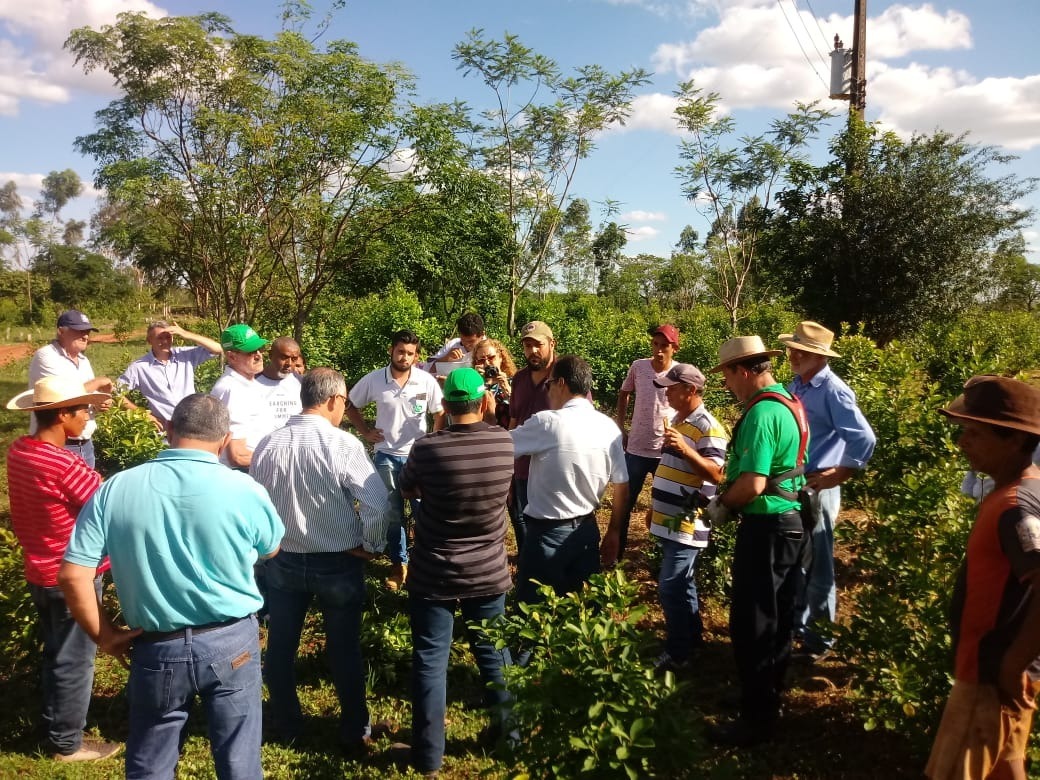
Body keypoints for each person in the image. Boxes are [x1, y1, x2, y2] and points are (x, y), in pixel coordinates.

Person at [58, 394, 284, 780]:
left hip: (155, 645)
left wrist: (106, 636)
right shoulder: (244, 489)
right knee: (239, 760)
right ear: (225, 438)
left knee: (151, 759)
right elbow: (272, 547)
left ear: (168, 429)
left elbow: (73, 573)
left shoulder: (116, 488)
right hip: (231, 641)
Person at [250, 368, 390, 752]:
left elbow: (256, 505)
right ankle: (353, 730)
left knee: (280, 646)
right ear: (332, 400)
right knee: (343, 647)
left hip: (283, 560)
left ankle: (288, 724)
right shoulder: (342, 445)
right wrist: (372, 546)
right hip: (338, 562)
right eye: (344, 401)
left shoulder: (267, 444)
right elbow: (378, 505)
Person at [400, 368, 514, 777]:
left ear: (445, 406)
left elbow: (408, 488)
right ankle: (509, 738)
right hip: (488, 571)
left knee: (431, 659)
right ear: (484, 402)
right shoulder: (504, 442)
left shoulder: (427, 448)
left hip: (435, 572)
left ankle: (428, 757)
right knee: (493, 654)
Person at [926, 375, 1040, 780]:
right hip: (993, 675)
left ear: (1013, 440)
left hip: (990, 677)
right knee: (1006, 768)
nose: (962, 442)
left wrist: (1013, 663)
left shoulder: (1015, 506)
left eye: (975, 433)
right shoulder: (1012, 492)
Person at [5, 376, 120, 763]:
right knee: (76, 659)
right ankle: (67, 744)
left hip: (40, 569)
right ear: (63, 416)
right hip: (74, 576)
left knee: (57, 653)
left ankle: (55, 724)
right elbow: (103, 500)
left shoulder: (20, 451)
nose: (87, 416)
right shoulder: (61, 463)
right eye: (82, 410)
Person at [703, 336, 809, 747]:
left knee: (753, 622)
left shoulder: (764, 412)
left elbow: (752, 482)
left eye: (728, 377)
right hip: (790, 521)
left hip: (767, 526)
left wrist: (722, 505)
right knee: (777, 618)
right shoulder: (788, 402)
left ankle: (755, 721)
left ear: (742, 371)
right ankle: (764, 697)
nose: (727, 386)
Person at [779, 321, 875, 659]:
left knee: (819, 565)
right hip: (798, 484)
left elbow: (864, 438)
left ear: (814, 355)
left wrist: (841, 472)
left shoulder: (833, 389)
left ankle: (820, 642)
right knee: (799, 562)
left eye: (798, 350)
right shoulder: (799, 384)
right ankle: (799, 628)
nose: (792, 354)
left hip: (819, 487)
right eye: (793, 348)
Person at [512, 355, 629, 604]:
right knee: (581, 612)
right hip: (586, 532)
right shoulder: (608, 427)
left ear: (561, 383)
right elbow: (621, 484)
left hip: (546, 535)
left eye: (548, 385)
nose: (547, 392)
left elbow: (499, 447)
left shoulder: (547, 423)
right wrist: (615, 531)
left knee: (533, 613)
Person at [639, 364, 727, 673]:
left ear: (690, 390)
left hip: (687, 522)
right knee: (683, 584)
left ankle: (678, 652)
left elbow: (717, 473)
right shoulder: (678, 420)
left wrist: (686, 451)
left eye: (672, 388)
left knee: (670, 586)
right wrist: (655, 508)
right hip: (670, 518)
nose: (667, 393)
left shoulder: (708, 427)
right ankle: (692, 640)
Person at [346, 329, 445, 590]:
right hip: (386, 456)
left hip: (419, 457)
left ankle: (425, 562)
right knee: (392, 513)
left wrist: (433, 439)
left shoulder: (425, 381)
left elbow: (439, 411)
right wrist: (366, 432)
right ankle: (398, 563)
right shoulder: (375, 380)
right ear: (391, 350)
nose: (404, 357)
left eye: (410, 353)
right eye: (400, 351)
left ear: (416, 355)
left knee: (425, 510)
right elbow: (349, 404)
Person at [613, 324, 679, 562]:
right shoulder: (639, 367)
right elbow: (624, 393)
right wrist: (621, 426)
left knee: (665, 505)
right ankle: (616, 555)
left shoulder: (679, 372)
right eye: (655, 344)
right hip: (636, 449)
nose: (659, 350)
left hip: (666, 450)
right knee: (624, 504)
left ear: (674, 348)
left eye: (665, 346)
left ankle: (661, 558)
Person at [28, 309, 117, 468]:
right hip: (58, 445)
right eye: (79, 331)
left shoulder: (84, 361)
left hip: (86, 444)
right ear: (61, 331)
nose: (86, 336)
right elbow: (62, 397)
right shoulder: (46, 356)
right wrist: (97, 382)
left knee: (87, 492)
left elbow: (85, 397)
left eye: (88, 331)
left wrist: (99, 403)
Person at [508, 320, 559, 552]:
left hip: (553, 468)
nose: (533, 351)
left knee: (551, 525)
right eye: (527, 346)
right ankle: (528, 562)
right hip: (522, 467)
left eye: (538, 345)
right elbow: (514, 420)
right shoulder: (519, 379)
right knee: (522, 518)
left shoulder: (564, 376)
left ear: (552, 343)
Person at [118, 320, 223, 428]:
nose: (165, 341)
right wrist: (145, 415)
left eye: (168, 337)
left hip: (192, 426)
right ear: (149, 340)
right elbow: (116, 394)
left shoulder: (185, 355)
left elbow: (218, 349)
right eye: (160, 338)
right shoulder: (139, 367)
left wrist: (186, 334)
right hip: (164, 431)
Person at [209, 323, 277, 470]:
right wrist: (280, 460)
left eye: (260, 348)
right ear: (232, 356)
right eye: (251, 351)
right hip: (243, 474)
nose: (259, 354)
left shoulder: (246, 384)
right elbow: (238, 456)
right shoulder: (233, 389)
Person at [255, 337, 303, 428]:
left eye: (294, 359)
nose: (289, 363)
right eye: (284, 357)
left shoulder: (302, 383)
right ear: (270, 355)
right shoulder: (251, 382)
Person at [471, 338, 517, 428]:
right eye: (481, 360)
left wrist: (506, 388)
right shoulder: (475, 385)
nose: (487, 363)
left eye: (491, 357)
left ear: (500, 357)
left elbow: (522, 411)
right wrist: (478, 380)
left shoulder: (515, 382)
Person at [424, 312, 486, 376]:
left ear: (482, 335)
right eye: (463, 340)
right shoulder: (453, 345)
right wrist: (446, 358)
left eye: (471, 341)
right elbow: (428, 369)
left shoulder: (491, 351)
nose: (467, 344)